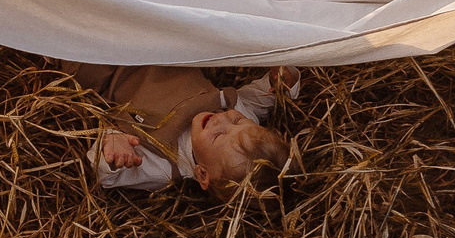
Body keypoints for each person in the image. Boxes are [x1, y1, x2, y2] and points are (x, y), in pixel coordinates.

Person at [56, 63, 296, 196]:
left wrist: (113, 147)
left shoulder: (162, 165)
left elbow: (104, 175)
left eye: (219, 136)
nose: (221, 120)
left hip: (108, 69)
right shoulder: (242, 118)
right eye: (237, 122)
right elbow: (259, 99)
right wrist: (282, 83)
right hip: (163, 47)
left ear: (202, 174)